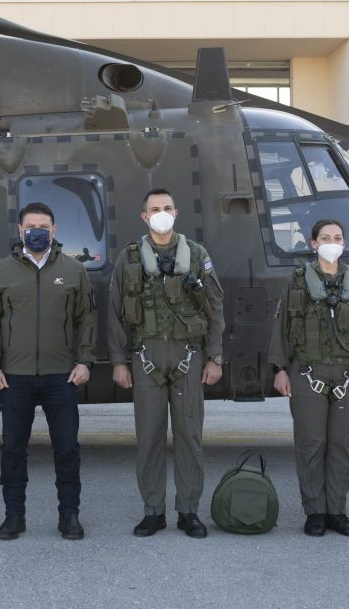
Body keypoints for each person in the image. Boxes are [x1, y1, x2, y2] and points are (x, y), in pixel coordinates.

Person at [107, 188, 225, 538]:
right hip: (146, 358)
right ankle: (153, 511)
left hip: (189, 355)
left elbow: (215, 308)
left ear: (176, 213)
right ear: (144, 217)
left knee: (190, 438)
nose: (161, 213)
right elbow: (115, 314)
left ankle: (188, 511)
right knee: (149, 440)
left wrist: (215, 357)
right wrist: (118, 361)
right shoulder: (128, 260)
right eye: (154, 209)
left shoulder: (198, 255)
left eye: (167, 208)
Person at [0, 201, 97, 541]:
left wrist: (85, 361)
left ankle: (69, 515)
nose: (37, 231)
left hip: (62, 376)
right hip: (14, 377)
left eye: (44, 226)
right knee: (13, 448)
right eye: (31, 226)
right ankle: (14, 515)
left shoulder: (74, 271)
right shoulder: (1, 272)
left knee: (67, 449)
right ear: (20, 230)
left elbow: (86, 320)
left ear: (54, 230)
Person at [269, 218, 349, 537]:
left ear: (344, 243)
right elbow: (281, 327)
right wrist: (280, 370)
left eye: (337, 237)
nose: (331, 242)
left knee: (342, 446)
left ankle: (337, 511)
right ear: (313, 243)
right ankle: (315, 511)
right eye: (325, 237)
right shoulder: (296, 282)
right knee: (310, 445)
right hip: (308, 372)